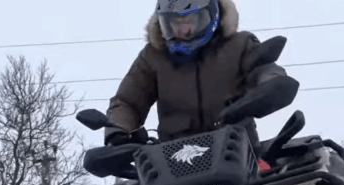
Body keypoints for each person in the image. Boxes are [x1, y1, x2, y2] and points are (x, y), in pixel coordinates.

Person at [104, 0, 293, 147]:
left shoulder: (239, 45)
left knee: (278, 170)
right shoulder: (153, 56)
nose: (183, 31)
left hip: (239, 152)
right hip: (175, 160)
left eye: (190, 22)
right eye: (174, 24)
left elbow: (263, 69)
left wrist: (271, 86)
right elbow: (128, 101)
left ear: (211, 15)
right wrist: (118, 132)